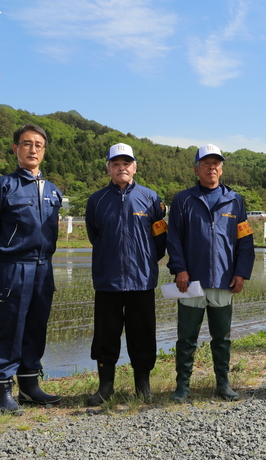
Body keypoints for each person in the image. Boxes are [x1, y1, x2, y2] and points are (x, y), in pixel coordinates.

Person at [0, 124, 63, 414]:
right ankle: (3, 391)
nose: (33, 149)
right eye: (26, 144)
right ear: (15, 148)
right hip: (12, 267)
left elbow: (53, 232)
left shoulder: (53, 192)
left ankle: (30, 386)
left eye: (38, 145)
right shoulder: (2, 186)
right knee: (9, 327)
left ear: (44, 151)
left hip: (43, 269)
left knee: (37, 326)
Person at [167, 144, 255, 402]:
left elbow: (245, 240)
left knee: (222, 338)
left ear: (222, 168)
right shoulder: (183, 200)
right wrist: (179, 269)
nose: (211, 167)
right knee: (186, 339)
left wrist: (241, 272)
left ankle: (223, 384)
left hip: (223, 279)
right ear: (197, 169)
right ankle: (182, 386)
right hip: (191, 282)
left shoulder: (235, 200)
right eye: (206, 163)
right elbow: (174, 239)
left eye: (216, 163)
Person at [84, 143, 167, 405]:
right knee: (105, 335)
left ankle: (143, 386)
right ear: (108, 167)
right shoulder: (96, 200)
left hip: (142, 281)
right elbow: (94, 236)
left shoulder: (151, 198)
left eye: (126, 163)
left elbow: (159, 238)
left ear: (135, 167)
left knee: (142, 334)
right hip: (107, 280)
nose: (122, 168)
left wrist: (144, 261)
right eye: (116, 163)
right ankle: (105, 387)